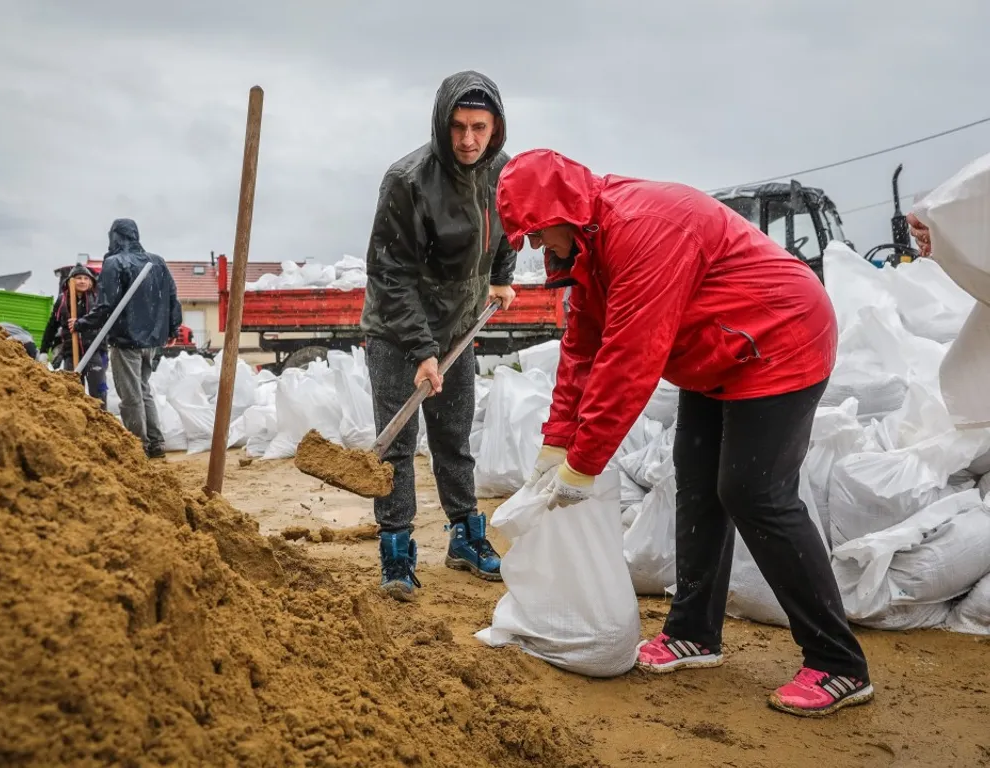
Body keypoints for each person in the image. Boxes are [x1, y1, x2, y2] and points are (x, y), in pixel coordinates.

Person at [495, 148, 872, 717]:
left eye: (538, 232)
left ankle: (838, 663)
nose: (536, 246)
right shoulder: (591, 249)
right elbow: (582, 350)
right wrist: (555, 445)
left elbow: (628, 360)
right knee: (695, 482)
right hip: (716, 354)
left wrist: (585, 463)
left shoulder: (643, 229)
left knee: (754, 493)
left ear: (565, 210)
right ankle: (695, 632)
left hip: (780, 336)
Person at [359, 70, 518, 601]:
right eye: (457, 126)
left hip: (456, 330)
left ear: (495, 128)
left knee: (453, 438)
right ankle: (397, 548)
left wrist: (502, 275)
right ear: (441, 123)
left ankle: (464, 537)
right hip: (397, 332)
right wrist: (422, 351)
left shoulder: (500, 172)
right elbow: (389, 273)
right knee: (399, 444)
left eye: (479, 127)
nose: (468, 139)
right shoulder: (407, 181)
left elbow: (508, 226)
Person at [73, 218, 182, 459]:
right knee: (143, 390)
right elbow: (173, 297)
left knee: (131, 395)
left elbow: (105, 305)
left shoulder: (114, 263)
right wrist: (173, 328)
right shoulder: (157, 261)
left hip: (126, 340)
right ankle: (156, 443)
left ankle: (138, 447)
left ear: (114, 237)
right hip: (153, 340)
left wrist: (81, 323)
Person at [39, 263, 108, 407]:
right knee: (73, 391)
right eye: (78, 278)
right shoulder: (62, 301)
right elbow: (52, 326)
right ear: (71, 281)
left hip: (94, 352)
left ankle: (101, 421)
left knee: (99, 392)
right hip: (71, 352)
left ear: (91, 282)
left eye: (86, 278)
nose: (82, 281)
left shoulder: (97, 300)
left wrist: (81, 323)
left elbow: (102, 321)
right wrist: (44, 350)